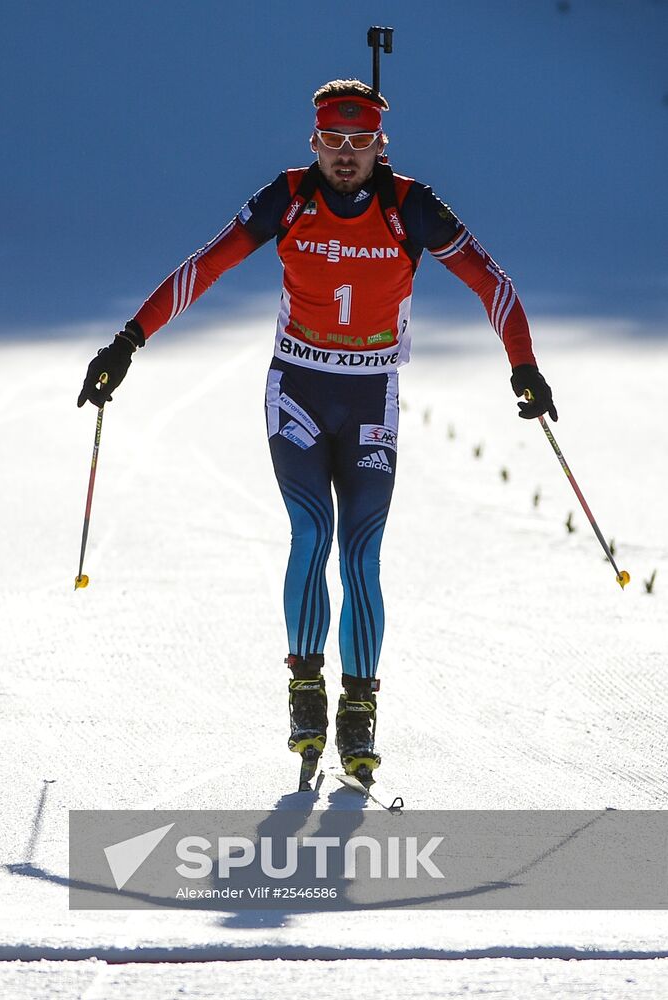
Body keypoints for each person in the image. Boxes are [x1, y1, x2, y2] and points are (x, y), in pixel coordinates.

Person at [78, 79, 557, 785]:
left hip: (370, 395)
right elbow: (204, 267)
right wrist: (127, 343)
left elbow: (495, 286)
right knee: (311, 534)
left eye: (358, 144)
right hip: (296, 389)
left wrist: (524, 366)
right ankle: (306, 685)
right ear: (312, 143)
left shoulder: (409, 208)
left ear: (379, 147)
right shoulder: (289, 196)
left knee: (362, 554)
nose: (343, 156)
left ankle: (358, 708)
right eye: (332, 142)